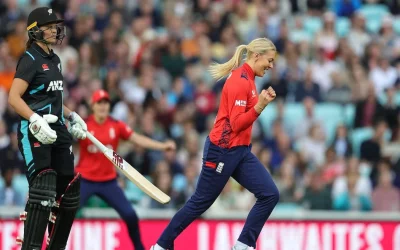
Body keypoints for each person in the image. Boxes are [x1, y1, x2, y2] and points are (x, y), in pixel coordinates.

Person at [151, 37, 280, 250]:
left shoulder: (248, 78)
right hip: (222, 151)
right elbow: (237, 123)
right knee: (200, 203)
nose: (272, 65)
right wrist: (261, 106)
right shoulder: (240, 80)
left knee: (270, 194)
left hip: (240, 151)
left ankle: (243, 245)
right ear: (257, 56)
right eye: (270, 60)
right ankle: (161, 246)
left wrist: (260, 101)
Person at [7, 7, 88, 250]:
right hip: (35, 132)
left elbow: (55, 98)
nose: (55, 29)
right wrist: (34, 119)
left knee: (68, 192)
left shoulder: (55, 60)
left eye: (56, 25)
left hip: (58, 130)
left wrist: (72, 115)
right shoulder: (29, 60)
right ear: (35, 31)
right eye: (49, 25)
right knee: (43, 190)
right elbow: (13, 98)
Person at [76, 89, 176, 250]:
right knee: (65, 215)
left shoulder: (116, 126)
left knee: (130, 215)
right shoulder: (83, 125)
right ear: (92, 106)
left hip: (108, 181)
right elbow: (66, 141)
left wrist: (162, 146)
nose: (103, 106)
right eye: (99, 103)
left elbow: (137, 139)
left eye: (106, 103)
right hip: (84, 179)